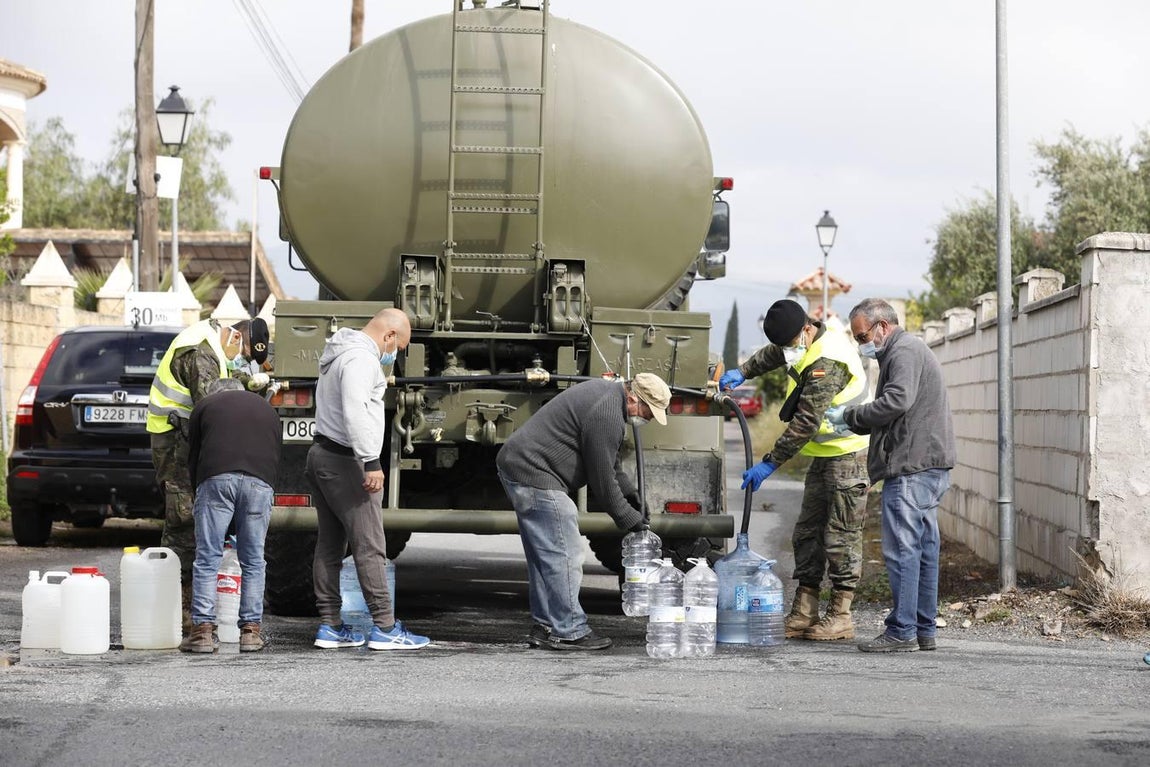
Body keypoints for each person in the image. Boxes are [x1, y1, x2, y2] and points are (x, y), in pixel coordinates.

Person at [719, 299, 871, 641]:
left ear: (806, 329)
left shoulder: (828, 359)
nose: (787, 350)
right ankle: (805, 610)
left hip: (849, 455)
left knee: (841, 537)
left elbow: (805, 423)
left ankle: (841, 614)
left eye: (790, 343)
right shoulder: (803, 343)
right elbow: (776, 353)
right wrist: (743, 371)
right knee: (807, 533)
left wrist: (770, 463)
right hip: (824, 455)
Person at [496, 372, 671, 651]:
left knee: (545, 557)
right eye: (648, 412)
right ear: (633, 398)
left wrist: (632, 495)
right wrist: (630, 519)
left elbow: (610, 464)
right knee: (565, 554)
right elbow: (602, 481)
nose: (648, 419)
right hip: (535, 472)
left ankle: (545, 626)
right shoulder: (607, 413)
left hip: (522, 466)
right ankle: (570, 630)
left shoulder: (609, 399)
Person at [825, 297, 956, 653]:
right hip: (928, 464)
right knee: (924, 550)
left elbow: (897, 401)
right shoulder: (907, 350)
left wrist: (851, 416)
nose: (861, 344)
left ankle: (902, 631)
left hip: (912, 467)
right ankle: (923, 629)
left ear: (882, 326)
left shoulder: (903, 351)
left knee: (903, 550)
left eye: (862, 336)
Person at [306, 307, 430, 651]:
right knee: (371, 546)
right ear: (389, 335)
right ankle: (386, 627)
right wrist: (371, 462)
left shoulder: (339, 351)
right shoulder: (361, 360)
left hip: (322, 454)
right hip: (347, 461)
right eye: (398, 347)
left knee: (330, 545)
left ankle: (330, 625)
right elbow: (355, 412)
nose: (396, 354)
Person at [147, 317, 270, 623]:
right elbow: (213, 403)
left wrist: (246, 381)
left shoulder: (214, 347)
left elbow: (222, 379)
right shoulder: (201, 351)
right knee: (183, 518)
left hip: (188, 437)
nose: (241, 361)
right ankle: (178, 608)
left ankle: (189, 607)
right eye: (244, 355)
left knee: (194, 517)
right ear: (237, 338)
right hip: (174, 440)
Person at [179, 377, 281, 653]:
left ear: (214, 394)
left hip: (216, 478)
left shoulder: (205, 406)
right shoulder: (267, 408)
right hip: (261, 481)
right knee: (254, 559)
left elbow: (194, 457)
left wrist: (197, 493)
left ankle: (202, 633)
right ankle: (250, 633)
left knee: (208, 557)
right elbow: (275, 453)